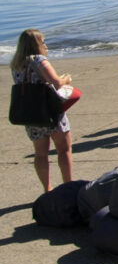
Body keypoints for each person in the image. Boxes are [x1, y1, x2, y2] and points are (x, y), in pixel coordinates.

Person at [11, 29, 74, 192]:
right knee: (64, 149)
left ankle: (47, 188)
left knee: (40, 154)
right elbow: (57, 83)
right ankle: (69, 186)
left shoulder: (16, 64)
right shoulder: (39, 60)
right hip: (50, 111)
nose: (45, 45)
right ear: (37, 44)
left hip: (31, 114)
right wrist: (66, 78)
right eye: (43, 42)